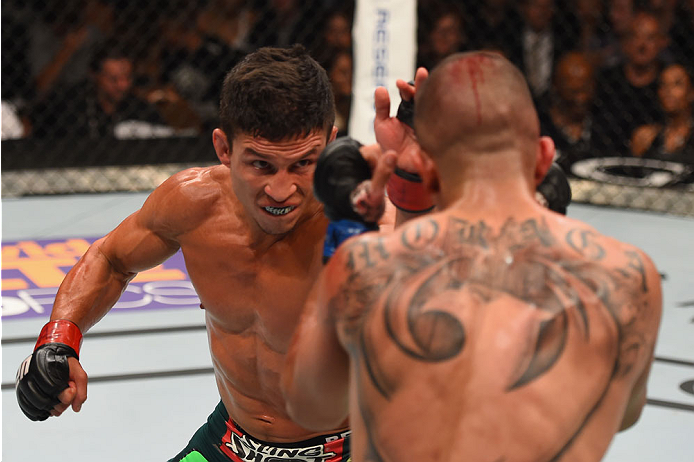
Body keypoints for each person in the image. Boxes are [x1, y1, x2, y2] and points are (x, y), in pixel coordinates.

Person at [282, 51, 663, 462]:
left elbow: (311, 407)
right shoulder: (629, 275)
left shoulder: (364, 265)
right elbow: (623, 413)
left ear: (429, 172)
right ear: (544, 157)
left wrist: (346, 228)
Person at [15, 45, 364, 462]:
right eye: (260, 165)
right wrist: (58, 340)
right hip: (231, 443)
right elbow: (111, 258)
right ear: (224, 148)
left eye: (303, 163)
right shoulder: (193, 204)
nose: (281, 190)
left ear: (330, 144)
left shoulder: (365, 219)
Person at [30, 44, 169, 139]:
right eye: (114, 79)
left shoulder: (141, 109)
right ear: (95, 75)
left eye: (127, 78)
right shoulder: (69, 106)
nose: (123, 85)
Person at [593, 10, 668, 155]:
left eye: (650, 38)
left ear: (661, 42)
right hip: (606, 154)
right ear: (625, 42)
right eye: (635, 37)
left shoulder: (668, 80)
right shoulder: (606, 80)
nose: (642, 45)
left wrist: (659, 130)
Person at [539, 51, 598, 174]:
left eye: (586, 89)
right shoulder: (540, 126)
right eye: (573, 91)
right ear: (556, 87)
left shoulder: (605, 121)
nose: (581, 98)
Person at [631, 63, 693, 168]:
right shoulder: (646, 136)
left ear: (691, 92)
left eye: (677, 84)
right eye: (663, 85)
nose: (668, 91)